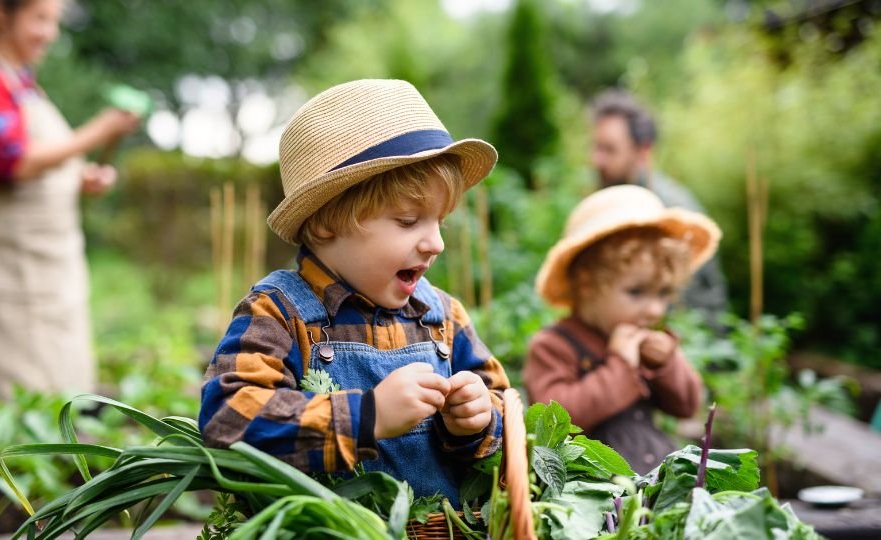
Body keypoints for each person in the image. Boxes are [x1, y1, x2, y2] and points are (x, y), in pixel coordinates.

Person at [198, 79, 509, 501]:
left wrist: (478, 420)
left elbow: (507, 411)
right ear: (327, 222)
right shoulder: (280, 314)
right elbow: (228, 418)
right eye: (407, 221)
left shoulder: (442, 317)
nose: (435, 243)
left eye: (440, 221)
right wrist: (367, 416)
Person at [0, 0, 140, 402]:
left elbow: (45, 165)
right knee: (19, 394)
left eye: (53, 21)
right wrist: (99, 130)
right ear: (1, 13)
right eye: (39, 19)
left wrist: (80, 177)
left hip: (52, 263)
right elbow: (14, 161)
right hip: (10, 263)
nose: (49, 33)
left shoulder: (24, 84)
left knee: (62, 386)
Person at [524, 185, 719, 472]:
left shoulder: (645, 341)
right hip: (591, 484)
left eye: (664, 293)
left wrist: (666, 364)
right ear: (588, 285)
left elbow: (687, 405)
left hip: (654, 471)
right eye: (636, 292)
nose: (654, 309)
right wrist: (621, 365)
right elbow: (554, 421)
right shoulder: (553, 345)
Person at [589, 90, 727, 321]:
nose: (597, 160)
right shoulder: (612, 197)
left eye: (609, 150)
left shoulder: (669, 211)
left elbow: (688, 300)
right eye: (596, 147)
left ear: (642, 152)